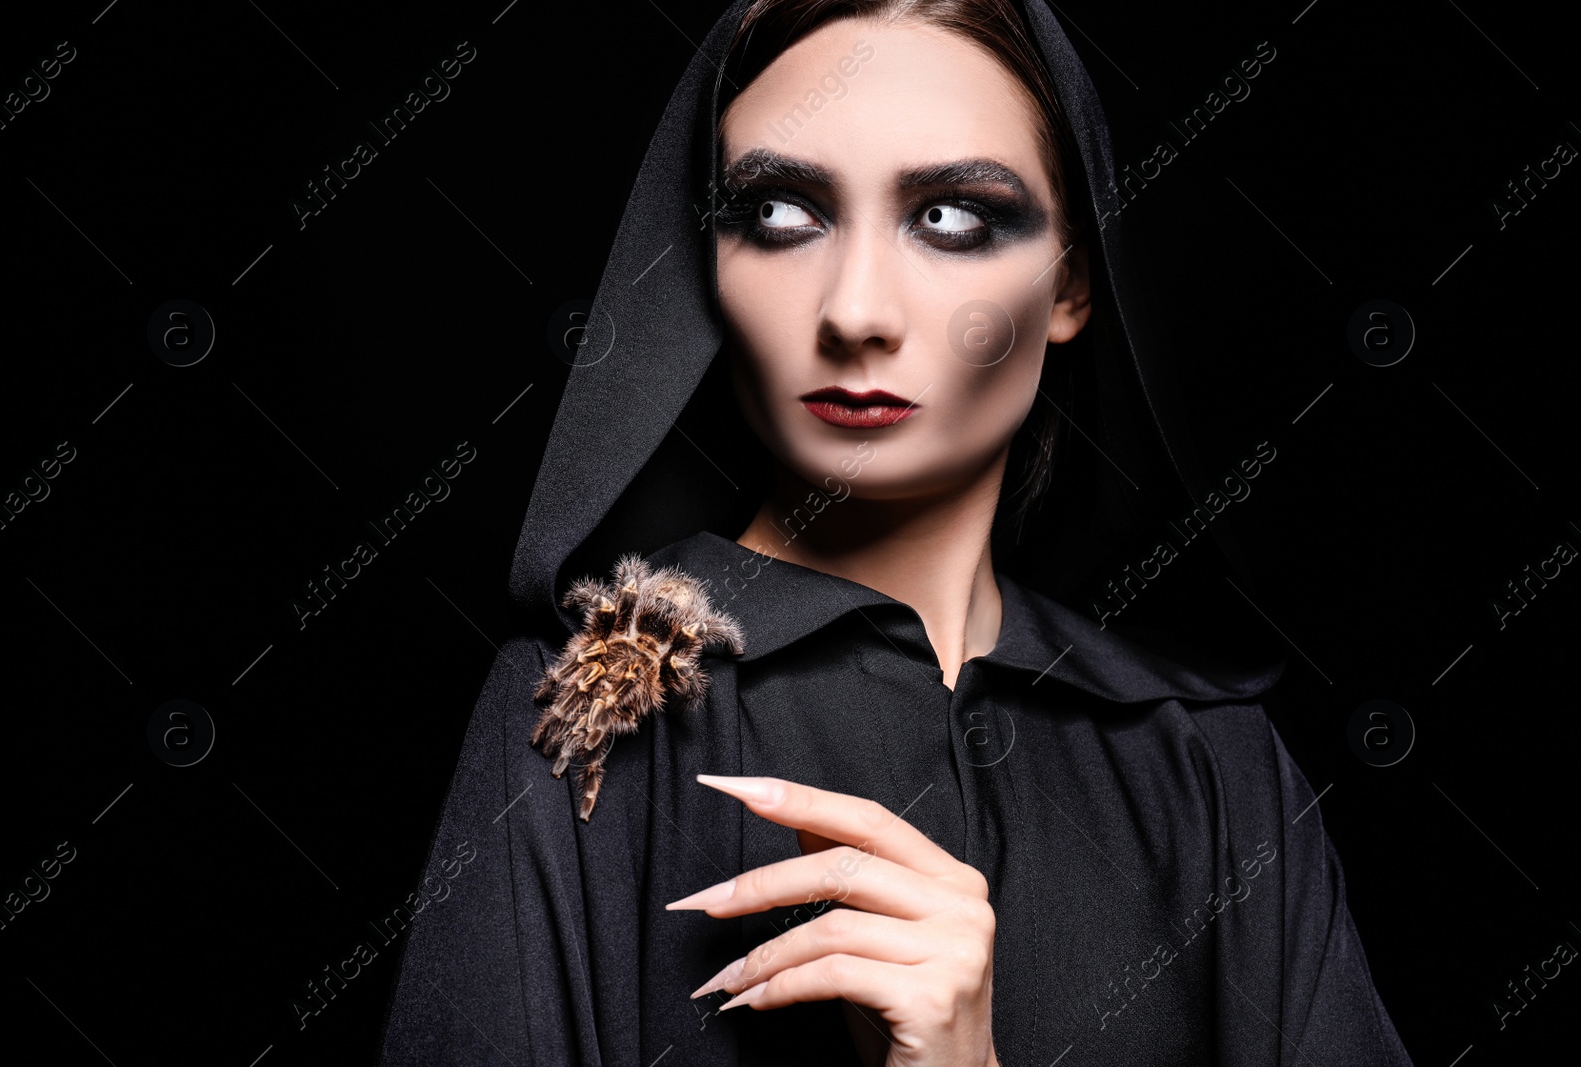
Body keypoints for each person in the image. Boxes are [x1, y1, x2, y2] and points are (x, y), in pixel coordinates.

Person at [375, 1, 1414, 1064]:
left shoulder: (1209, 760)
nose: (856, 310)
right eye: (778, 214)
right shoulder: (584, 712)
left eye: (953, 217)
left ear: (1069, 280)